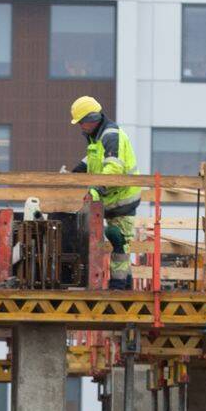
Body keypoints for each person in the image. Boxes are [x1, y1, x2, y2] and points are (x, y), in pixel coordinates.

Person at [68, 96, 141, 290]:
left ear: (91, 119)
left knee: (120, 242)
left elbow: (114, 168)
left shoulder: (110, 135)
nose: (80, 127)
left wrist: (95, 188)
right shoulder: (98, 137)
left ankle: (119, 285)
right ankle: (124, 284)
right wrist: (81, 167)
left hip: (123, 199)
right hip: (111, 199)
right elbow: (96, 157)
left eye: (81, 123)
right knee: (117, 240)